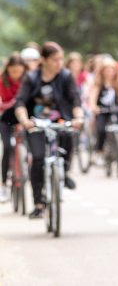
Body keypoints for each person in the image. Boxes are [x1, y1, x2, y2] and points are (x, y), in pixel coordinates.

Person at [14, 42, 84, 219]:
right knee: (37, 159)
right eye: (55, 59)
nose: (59, 63)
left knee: (68, 141)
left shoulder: (66, 76)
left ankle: (64, 172)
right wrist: (24, 120)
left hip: (60, 122)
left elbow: (75, 100)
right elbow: (20, 103)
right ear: (43, 60)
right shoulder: (31, 78)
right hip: (36, 124)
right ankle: (38, 202)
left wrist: (78, 118)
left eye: (61, 59)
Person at [87, 57, 118, 161]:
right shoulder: (98, 84)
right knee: (101, 130)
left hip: (115, 109)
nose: (109, 72)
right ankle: (99, 150)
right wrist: (93, 106)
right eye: (107, 70)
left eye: (112, 70)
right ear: (102, 71)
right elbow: (93, 97)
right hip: (102, 110)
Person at [0, 53, 27, 202]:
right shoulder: (2, 80)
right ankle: (3, 183)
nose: (16, 74)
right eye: (13, 71)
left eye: (19, 71)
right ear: (8, 69)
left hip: (22, 119)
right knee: (7, 147)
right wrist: (10, 104)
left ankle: (25, 168)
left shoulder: (28, 81)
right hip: (6, 119)